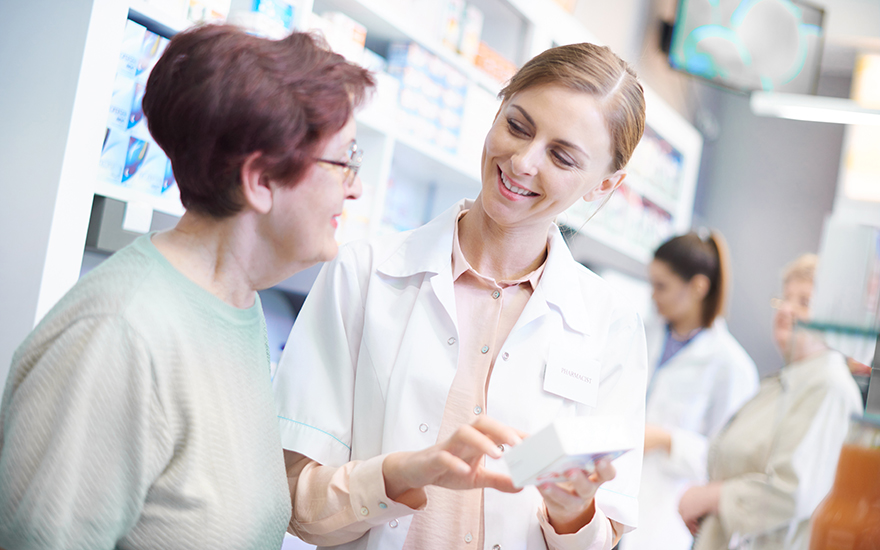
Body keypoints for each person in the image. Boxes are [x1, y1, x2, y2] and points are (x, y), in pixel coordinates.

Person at [0, 25, 373, 550]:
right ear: (261, 181)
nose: (356, 187)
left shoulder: (239, 305)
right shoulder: (117, 334)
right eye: (344, 162)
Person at [272, 42, 648, 550]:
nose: (522, 161)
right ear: (496, 109)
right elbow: (295, 505)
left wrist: (572, 514)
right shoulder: (363, 273)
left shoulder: (611, 325)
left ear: (603, 186)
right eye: (517, 125)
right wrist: (400, 476)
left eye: (561, 156)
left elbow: (608, 537)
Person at [678, 254, 863, 550]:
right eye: (784, 298)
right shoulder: (784, 383)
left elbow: (790, 493)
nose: (786, 309)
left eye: (804, 301)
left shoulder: (828, 387)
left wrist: (710, 498)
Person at [623, 231, 758, 550]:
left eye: (662, 286)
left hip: (663, 516)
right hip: (611, 492)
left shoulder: (731, 365)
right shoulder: (640, 332)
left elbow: (727, 463)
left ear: (698, 287)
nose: (653, 295)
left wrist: (666, 440)